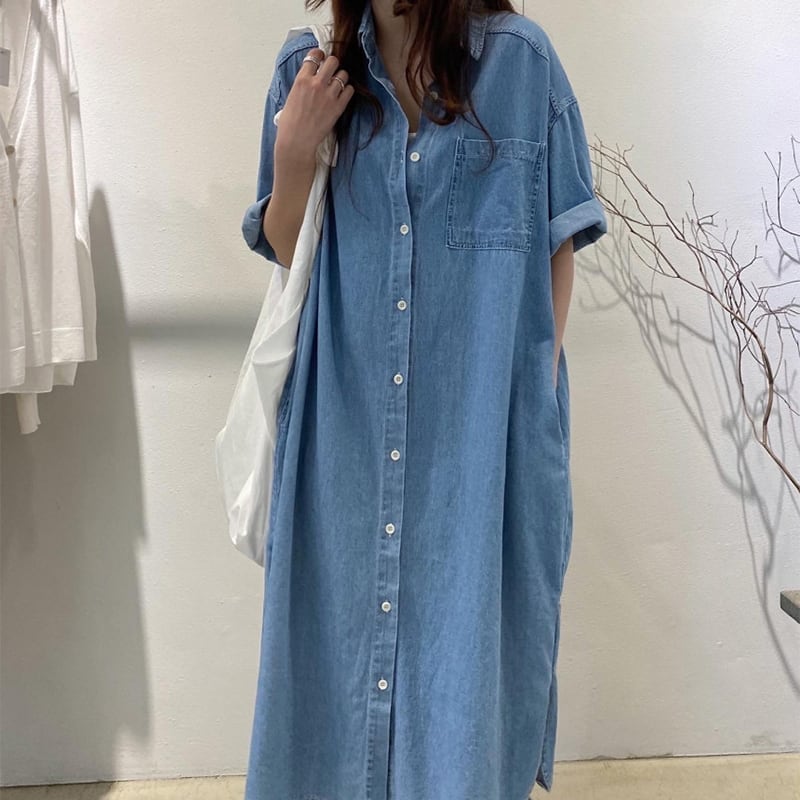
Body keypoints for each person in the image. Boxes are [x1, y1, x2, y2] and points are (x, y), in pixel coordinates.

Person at [241, 1, 608, 798]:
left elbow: (558, 245)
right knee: (329, 692)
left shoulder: (522, 65)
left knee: (464, 702)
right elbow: (287, 247)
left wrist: (530, 400)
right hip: (342, 442)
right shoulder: (308, 73)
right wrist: (295, 153)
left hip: (475, 450)